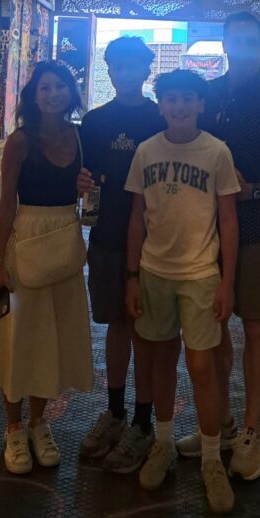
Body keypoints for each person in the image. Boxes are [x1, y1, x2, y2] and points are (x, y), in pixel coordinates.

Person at [176, 11, 260, 481]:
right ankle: (220, 426)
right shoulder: (208, 96)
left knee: (254, 325)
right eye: (236, 39)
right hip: (205, 232)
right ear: (224, 45)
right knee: (211, 329)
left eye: (252, 40)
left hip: (258, 230)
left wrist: (252, 191)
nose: (244, 47)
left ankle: (252, 432)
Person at [125, 69, 240, 515]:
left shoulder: (217, 152)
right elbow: (137, 218)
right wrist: (132, 276)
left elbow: (228, 220)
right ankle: (165, 443)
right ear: (161, 106)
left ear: (201, 104)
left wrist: (227, 280)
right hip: (154, 272)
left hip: (200, 274)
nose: (179, 106)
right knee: (161, 361)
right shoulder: (145, 151)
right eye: (171, 99)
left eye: (187, 98)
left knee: (202, 365)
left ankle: (211, 459)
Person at [0, 61, 93, 475]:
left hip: (64, 242)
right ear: (34, 96)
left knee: (50, 337)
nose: (53, 94)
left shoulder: (79, 137)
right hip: (25, 240)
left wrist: (86, 188)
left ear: (71, 92)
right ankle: (13, 428)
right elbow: (6, 203)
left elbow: (90, 195)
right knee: (18, 336)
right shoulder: (20, 142)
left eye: (60, 86)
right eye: (45, 88)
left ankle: (39, 424)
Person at [77, 36, 173, 474]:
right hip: (108, 236)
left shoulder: (161, 118)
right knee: (117, 325)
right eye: (119, 66)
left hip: (155, 242)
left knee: (145, 332)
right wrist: (81, 188)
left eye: (134, 66)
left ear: (146, 71)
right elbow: (83, 176)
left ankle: (142, 422)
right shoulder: (95, 122)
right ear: (110, 71)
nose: (126, 73)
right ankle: (115, 412)